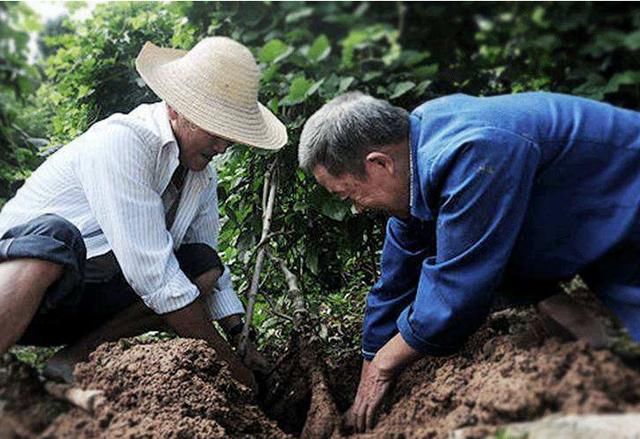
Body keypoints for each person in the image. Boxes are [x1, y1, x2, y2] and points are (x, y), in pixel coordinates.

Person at [298, 91, 640, 432]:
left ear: (379, 164)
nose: (356, 208)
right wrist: (369, 367)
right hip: (592, 213)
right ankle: (597, 351)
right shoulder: (414, 160)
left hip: (627, 183)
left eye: (349, 193)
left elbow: (457, 288)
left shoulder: (470, 152)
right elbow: (393, 282)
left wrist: (386, 365)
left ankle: (603, 357)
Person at [0, 36, 287, 388]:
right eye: (216, 129)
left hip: (84, 300)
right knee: (55, 237)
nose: (223, 145)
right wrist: (232, 370)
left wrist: (239, 333)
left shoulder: (200, 177)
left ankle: (70, 362)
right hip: (24, 290)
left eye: (231, 134)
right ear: (174, 109)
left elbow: (206, 266)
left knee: (201, 263)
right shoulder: (122, 142)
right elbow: (154, 276)